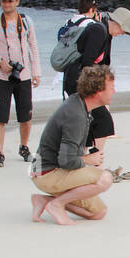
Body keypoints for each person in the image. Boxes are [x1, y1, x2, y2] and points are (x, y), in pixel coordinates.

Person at [30, 65, 116, 225]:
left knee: (98, 213)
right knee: (105, 178)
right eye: (111, 88)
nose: (114, 91)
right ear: (98, 91)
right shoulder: (75, 115)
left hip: (47, 169)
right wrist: (89, 160)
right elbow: (66, 161)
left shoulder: (79, 103)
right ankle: (57, 204)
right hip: (46, 173)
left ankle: (45, 200)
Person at [63, 0, 130, 160]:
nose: (123, 33)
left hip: (85, 82)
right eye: (124, 29)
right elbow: (87, 63)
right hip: (78, 82)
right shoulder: (98, 30)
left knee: (89, 121)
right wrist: (96, 89)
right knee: (102, 120)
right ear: (116, 23)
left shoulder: (106, 34)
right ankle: (94, 160)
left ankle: (88, 158)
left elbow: (102, 63)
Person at [0, 0, 41, 167]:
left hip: (24, 76)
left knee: (26, 117)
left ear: (17, 2)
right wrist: (0, 62)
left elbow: (33, 47)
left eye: (9, 0)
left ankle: (24, 147)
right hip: (1, 76)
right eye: (3, 0)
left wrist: (36, 72)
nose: (6, 4)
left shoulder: (26, 22)